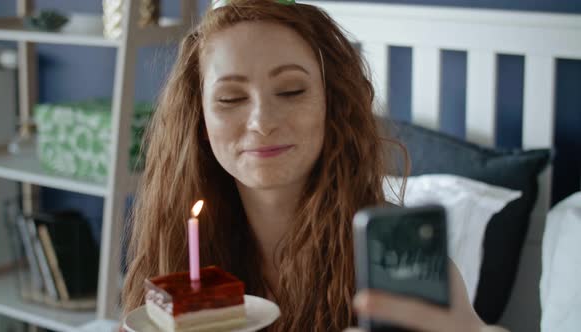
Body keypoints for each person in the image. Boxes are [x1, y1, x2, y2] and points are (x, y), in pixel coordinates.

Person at [122, 0, 499, 331]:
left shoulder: (401, 269)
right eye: (231, 97)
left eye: (291, 91)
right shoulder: (173, 254)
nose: (262, 121)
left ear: (332, 106)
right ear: (200, 123)